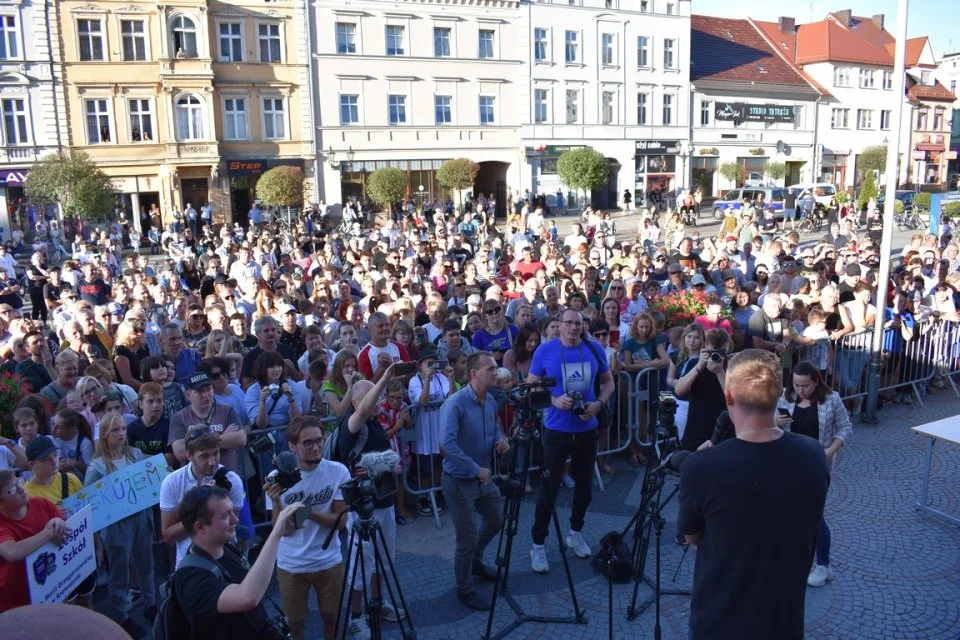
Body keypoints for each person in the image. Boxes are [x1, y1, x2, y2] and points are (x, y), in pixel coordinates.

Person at [677, 349, 829, 640]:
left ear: (729, 396)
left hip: (720, 620)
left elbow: (692, 536)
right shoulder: (814, 455)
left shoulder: (701, 468)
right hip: (784, 619)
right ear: (779, 394)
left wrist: (702, 468)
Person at [525, 309, 615, 573]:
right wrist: (554, 400)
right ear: (559, 326)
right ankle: (538, 544)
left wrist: (599, 403)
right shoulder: (545, 351)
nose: (574, 328)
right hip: (557, 429)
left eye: (578, 323)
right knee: (549, 489)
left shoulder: (594, 347)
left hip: (587, 427)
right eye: (568, 323)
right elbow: (532, 386)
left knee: (585, 489)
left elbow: (609, 382)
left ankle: (575, 532)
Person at [172, 484, 303, 640]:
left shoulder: (226, 547)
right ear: (200, 527)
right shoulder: (190, 578)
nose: (236, 519)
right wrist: (276, 535)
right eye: (226, 515)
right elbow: (247, 597)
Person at [264, 416, 350, 640]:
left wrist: (306, 511)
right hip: (292, 564)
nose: (316, 447)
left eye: (319, 440)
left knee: (332, 617)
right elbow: (283, 530)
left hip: (329, 560)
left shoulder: (337, 471)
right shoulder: (277, 478)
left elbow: (340, 520)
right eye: (308, 442)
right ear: (292, 446)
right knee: (295, 624)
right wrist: (276, 503)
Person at [440, 351, 510, 610]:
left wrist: (501, 440)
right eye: (490, 369)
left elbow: (494, 430)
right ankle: (464, 588)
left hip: (483, 477)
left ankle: (475, 562)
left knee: (496, 520)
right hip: (459, 480)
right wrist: (475, 468)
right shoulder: (455, 404)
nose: (496, 372)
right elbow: (446, 444)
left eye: (495, 368)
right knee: (466, 538)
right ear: (474, 374)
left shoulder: (490, 400)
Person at [777, 362, 853, 588]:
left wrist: (830, 451)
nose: (800, 390)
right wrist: (774, 422)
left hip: (817, 465)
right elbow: (771, 427)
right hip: (788, 464)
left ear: (817, 381)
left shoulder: (832, 399)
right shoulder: (786, 397)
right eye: (796, 385)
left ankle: (822, 564)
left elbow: (846, 428)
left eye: (805, 386)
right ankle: (802, 560)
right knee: (792, 514)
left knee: (814, 516)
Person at [84, 414, 156, 635]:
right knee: (120, 572)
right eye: (116, 430)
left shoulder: (135, 454)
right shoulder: (97, 466)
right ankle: (121, 615)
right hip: (116, 526)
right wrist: (96, 542)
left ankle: (151, 604)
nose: (122, 433)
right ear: (105, 434)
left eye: (123, 428)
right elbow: (90, 505)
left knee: (146, 563)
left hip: (141, 518)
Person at [159, 426, 245, 567]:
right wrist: (200, 507)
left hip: (224, 560)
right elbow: (168, 536)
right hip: (189, 563)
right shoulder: (172, 483)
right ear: (189, 456)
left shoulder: (232, 480)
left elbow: (231, 526)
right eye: (204, 456)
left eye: (215, 453)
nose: (212, 462)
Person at [0, 470, 70, 612]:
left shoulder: (42, 503)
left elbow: (66, 533)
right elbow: (12, 552)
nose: (21, 489)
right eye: (12, 491)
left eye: (19, 482)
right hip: (15, 601)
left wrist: (58, 522)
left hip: (51, 589)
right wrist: (48, 533)